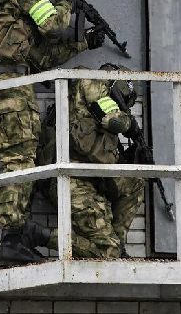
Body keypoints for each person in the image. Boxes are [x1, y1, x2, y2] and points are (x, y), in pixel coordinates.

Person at [0, 0, 106, 267]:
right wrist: (68, 3)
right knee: (19, 161)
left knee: (23, 159)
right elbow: (53, 24)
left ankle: (15, 239)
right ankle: (12, 241)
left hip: (9, 82)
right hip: (7, 85)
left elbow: (41, 57)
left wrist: (84, 43)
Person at [31, 64, 145, 259]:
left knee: (135, 182)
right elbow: (113, 119)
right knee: (109, 254)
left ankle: (116, 245)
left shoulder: (92, 113)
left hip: (87, 180)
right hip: (71, 180)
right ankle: (39, 235)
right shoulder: (92, 81)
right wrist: (131, 126)